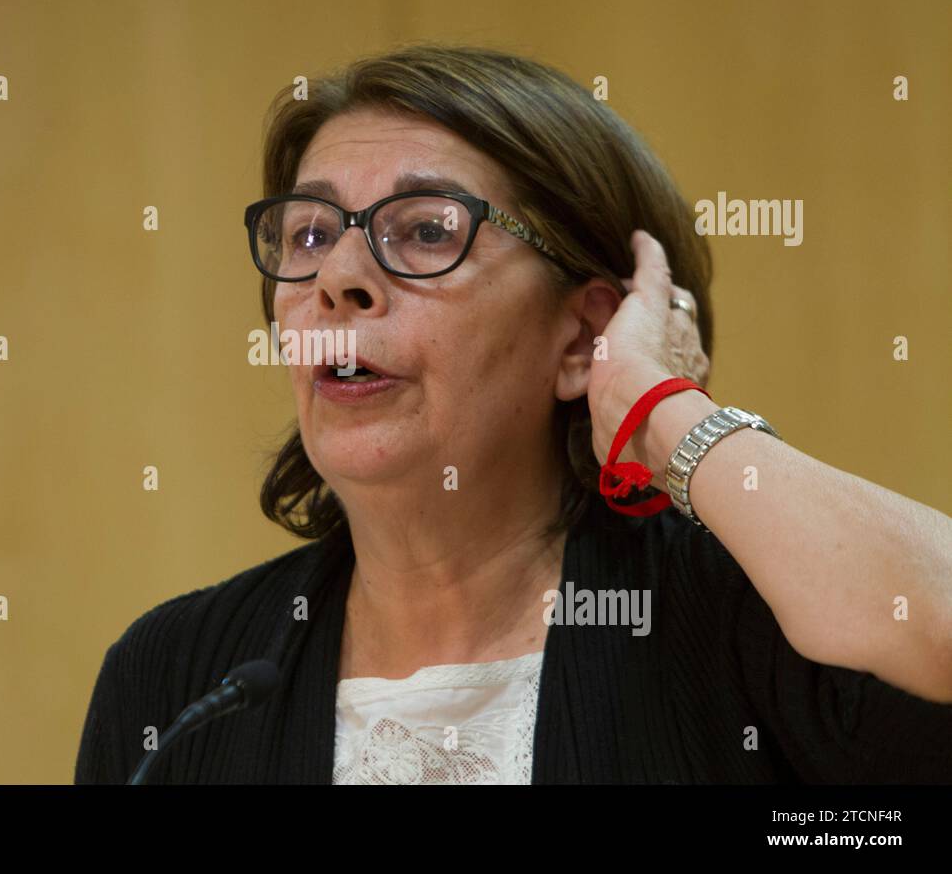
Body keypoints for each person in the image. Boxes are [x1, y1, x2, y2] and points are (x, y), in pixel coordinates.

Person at [75, 43, 952, 784]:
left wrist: (660, 406)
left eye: (424, 231)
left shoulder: (737, 618)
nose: (336, 277)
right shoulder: (177, 679)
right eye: (308, 234)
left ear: (584, 339)